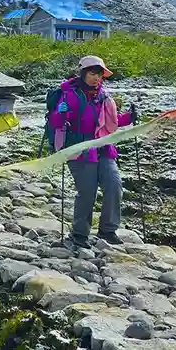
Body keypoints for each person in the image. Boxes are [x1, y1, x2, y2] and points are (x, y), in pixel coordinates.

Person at [48, 56, 138, 249]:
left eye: (99, 74)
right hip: (79, 149)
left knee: (114, 185)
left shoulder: (103, 96)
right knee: (87, 192)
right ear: (83, 74)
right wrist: (61, 113)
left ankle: (108, 231)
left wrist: (129, 118)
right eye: (92, 73)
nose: (96, 78)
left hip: (103, 148)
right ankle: (79, 235)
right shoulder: (69, 95)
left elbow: (111, 122)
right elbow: (55, 122)